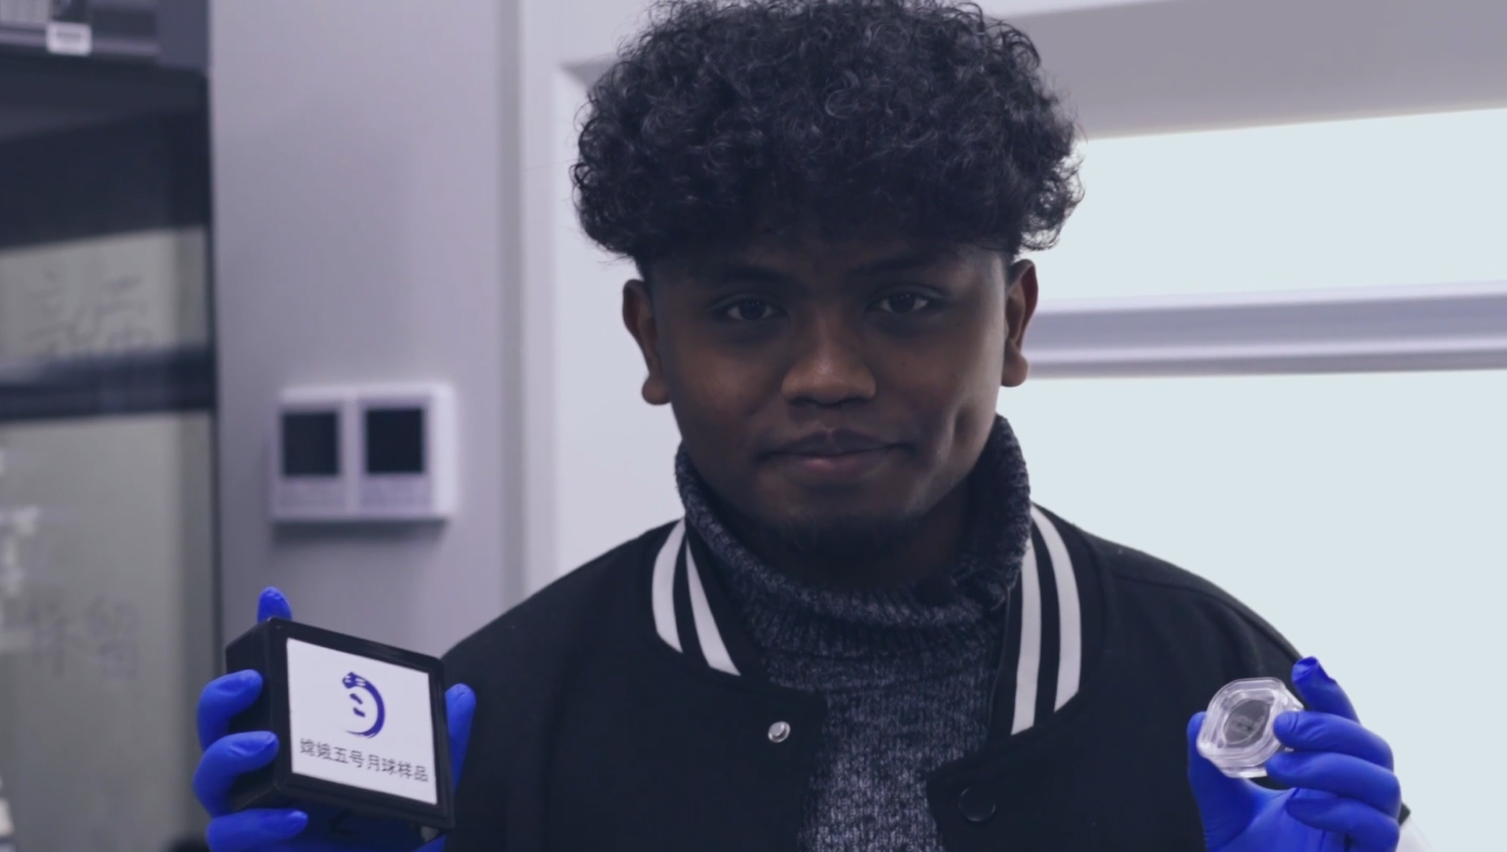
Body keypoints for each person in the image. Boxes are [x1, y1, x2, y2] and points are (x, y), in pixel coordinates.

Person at [193, 1, 1423, 850]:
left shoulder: (1217, 684)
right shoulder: (499, 726)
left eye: (903, 302)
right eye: (747, 310)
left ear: (1011, 322)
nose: (828, 374)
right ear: (651, 343)